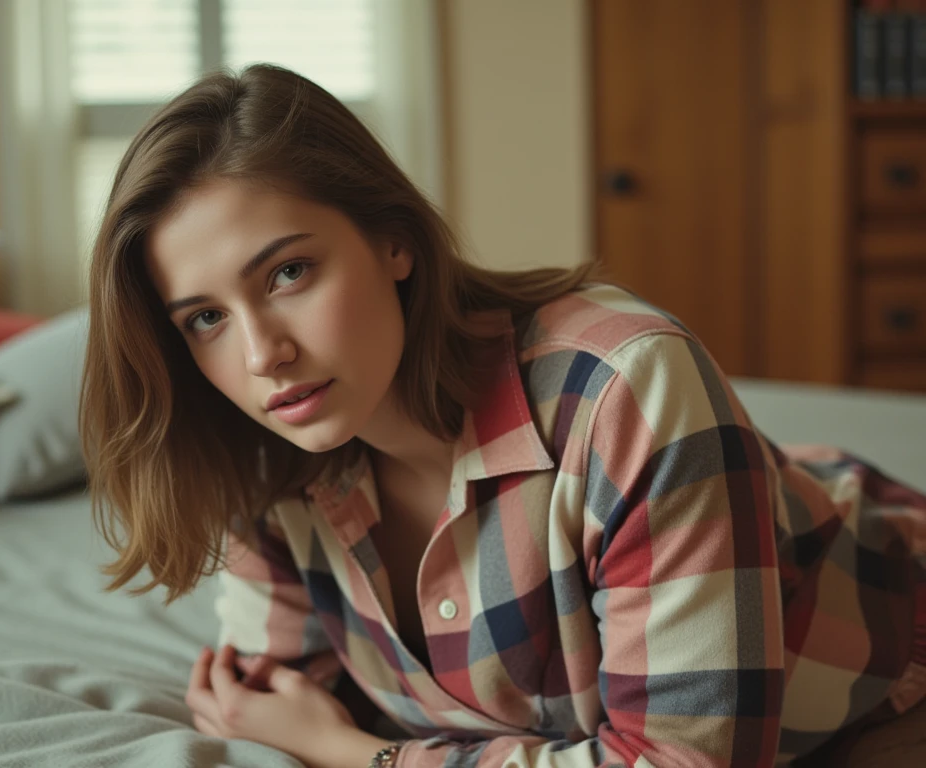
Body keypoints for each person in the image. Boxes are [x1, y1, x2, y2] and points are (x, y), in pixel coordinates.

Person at [79, 64, 926, 768]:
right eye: (205, 318)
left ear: (392, 240)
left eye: (289, 273)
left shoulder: (624, 385)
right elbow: (271, 704)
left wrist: (359, 755)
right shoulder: (254, 448)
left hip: (891, 662)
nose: (262, 355)